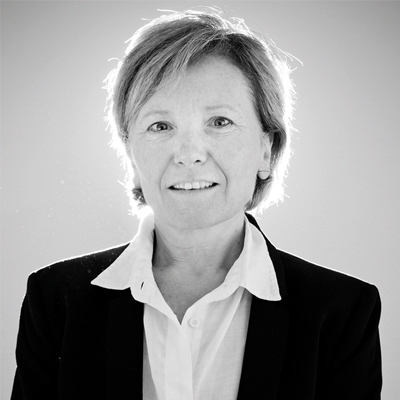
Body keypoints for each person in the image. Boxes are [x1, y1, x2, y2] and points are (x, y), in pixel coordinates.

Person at [12, 9, 382, 400]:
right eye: (160, 126)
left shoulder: (341, 313)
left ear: (266, 149)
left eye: (219, 122)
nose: (189, 154)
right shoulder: (55, 301)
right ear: (131, 157)